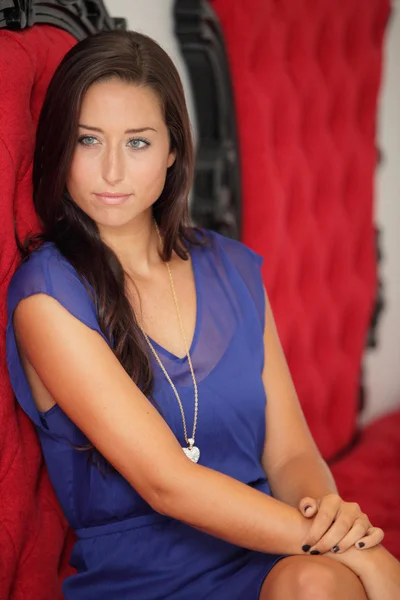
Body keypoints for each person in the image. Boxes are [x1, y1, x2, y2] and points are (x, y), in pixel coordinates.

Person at [5, 30, 400, 600]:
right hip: (144, 577)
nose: (111, 171)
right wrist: (357, 550)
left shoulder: (232, 267)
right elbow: (168, 484)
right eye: (88, 140)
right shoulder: (47, 294)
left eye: (137, 143)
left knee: (316, 585)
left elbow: (290, 453)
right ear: (60, 146)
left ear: (172, 150)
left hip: (269, 550)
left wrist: (332, 527)